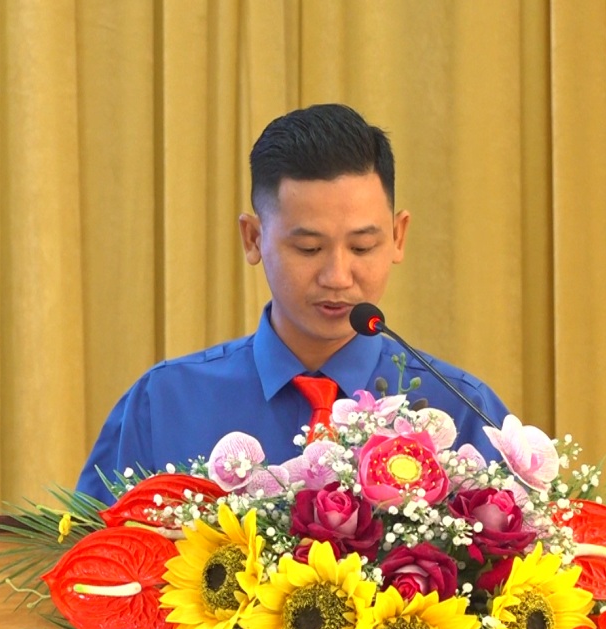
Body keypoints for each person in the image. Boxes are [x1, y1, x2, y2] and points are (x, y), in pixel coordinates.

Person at [77, 104, 509, 501]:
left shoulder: (459, 410)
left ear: (398, 237)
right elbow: (86, 553)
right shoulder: (166, 403)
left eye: (361, 247)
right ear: (253, 238)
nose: (337, 277)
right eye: (308, 249)